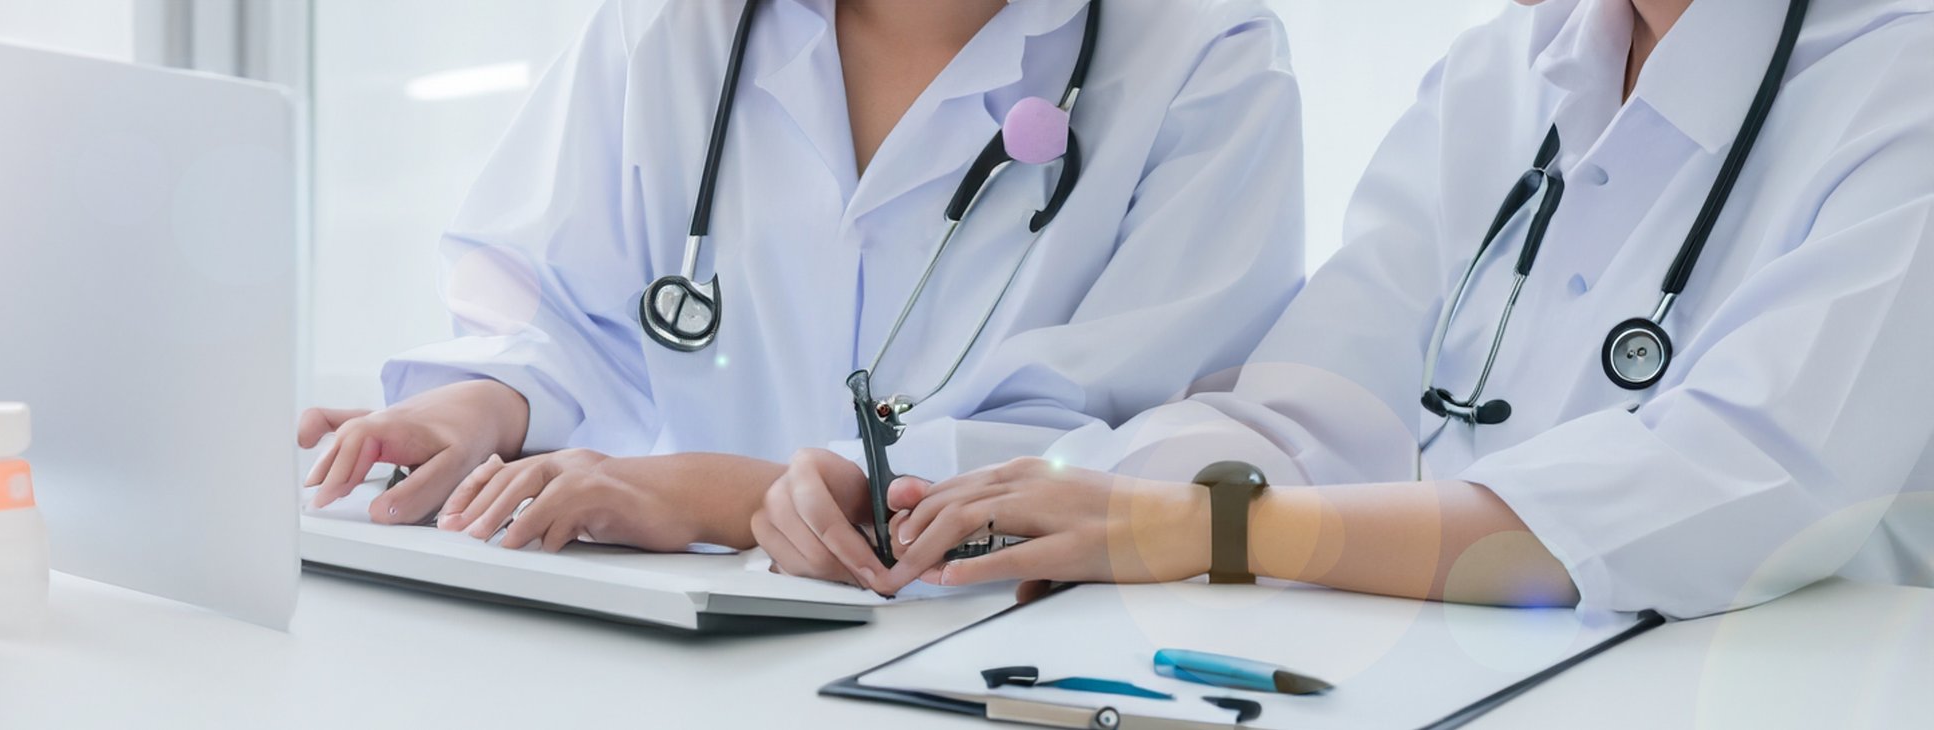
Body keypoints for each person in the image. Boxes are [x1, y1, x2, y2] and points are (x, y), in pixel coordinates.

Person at [767, 0, 1934, 618]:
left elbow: (1739, 482)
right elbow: (1304, 406)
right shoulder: (1500, 72)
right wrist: (994, 501)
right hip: (1440, 666)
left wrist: (1224, 532)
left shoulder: (1902, 87)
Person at [298, 0, 1309, 556]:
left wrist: (732, 497)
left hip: (993, 644)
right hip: (668, 627)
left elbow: (1153, 449)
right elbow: (561, 305)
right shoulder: (671, 26)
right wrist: (483, 404)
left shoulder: (1207, 60)